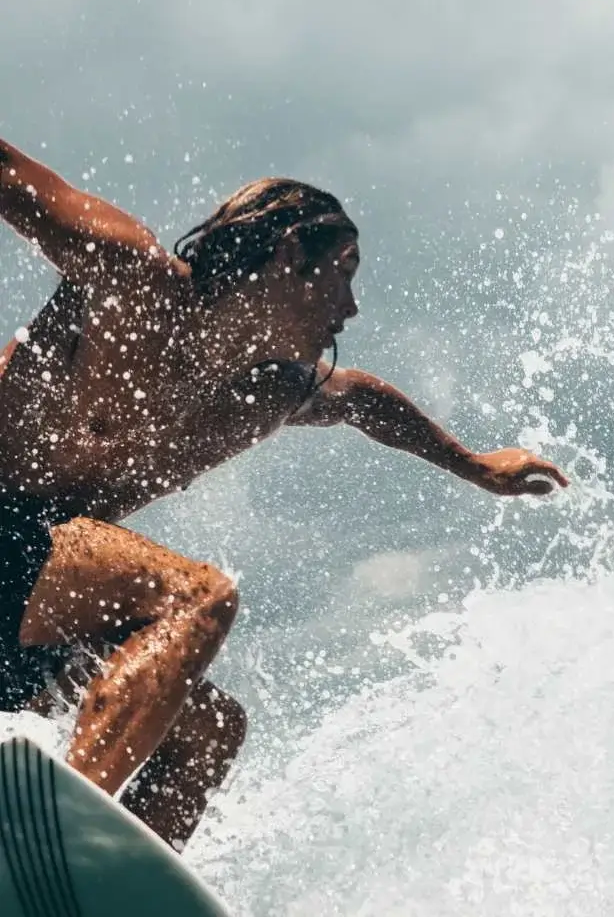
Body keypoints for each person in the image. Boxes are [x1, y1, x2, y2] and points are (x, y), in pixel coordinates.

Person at [0, 136, 569, 851]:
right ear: (287, 252)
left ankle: (92, 889)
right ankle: (52, 840)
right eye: (343, 274)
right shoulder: (133, 281)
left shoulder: (264, 393)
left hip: (27, 595)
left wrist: (478, 467)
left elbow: (362, 401)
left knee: (209, 733)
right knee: (197, 597)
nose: (352, 308)